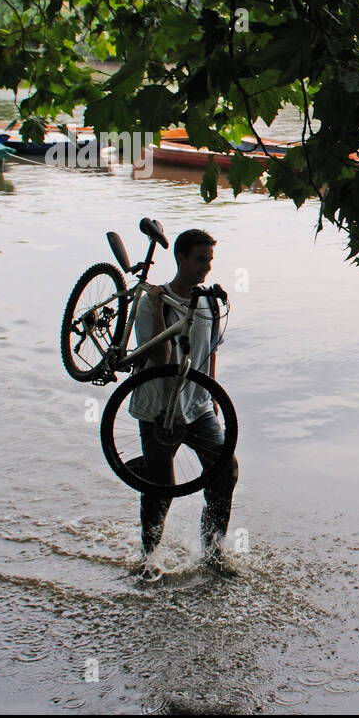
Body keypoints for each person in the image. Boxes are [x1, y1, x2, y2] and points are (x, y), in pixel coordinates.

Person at [130, 228, 238, 577]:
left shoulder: (206, 301)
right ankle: (148, 560)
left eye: (209, 261)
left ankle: (213, 555)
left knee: (226, 471)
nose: (206, 268)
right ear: (180, 259)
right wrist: (161, 307)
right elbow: (159, 359)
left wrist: (214, 396)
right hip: (159, 408)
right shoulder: (151, 302)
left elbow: (210, 351)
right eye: (199, 260)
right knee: (162, 490)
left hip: (199, 405)